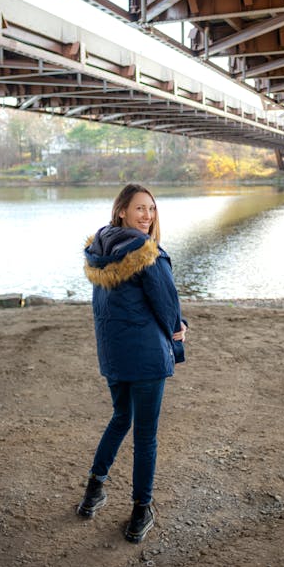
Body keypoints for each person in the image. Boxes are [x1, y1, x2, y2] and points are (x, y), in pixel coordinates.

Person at [77, 183, 187, 543]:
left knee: (121, 417)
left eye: (152, 209)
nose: (148, 216)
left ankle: (93, 492)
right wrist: (177, 330)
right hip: (144, 357)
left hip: (114, 354)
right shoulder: (145, 250)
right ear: (121, 210)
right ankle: (141, 510)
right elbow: (167, 304)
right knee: (145, 436)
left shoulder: (101, 248)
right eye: (140, 209)